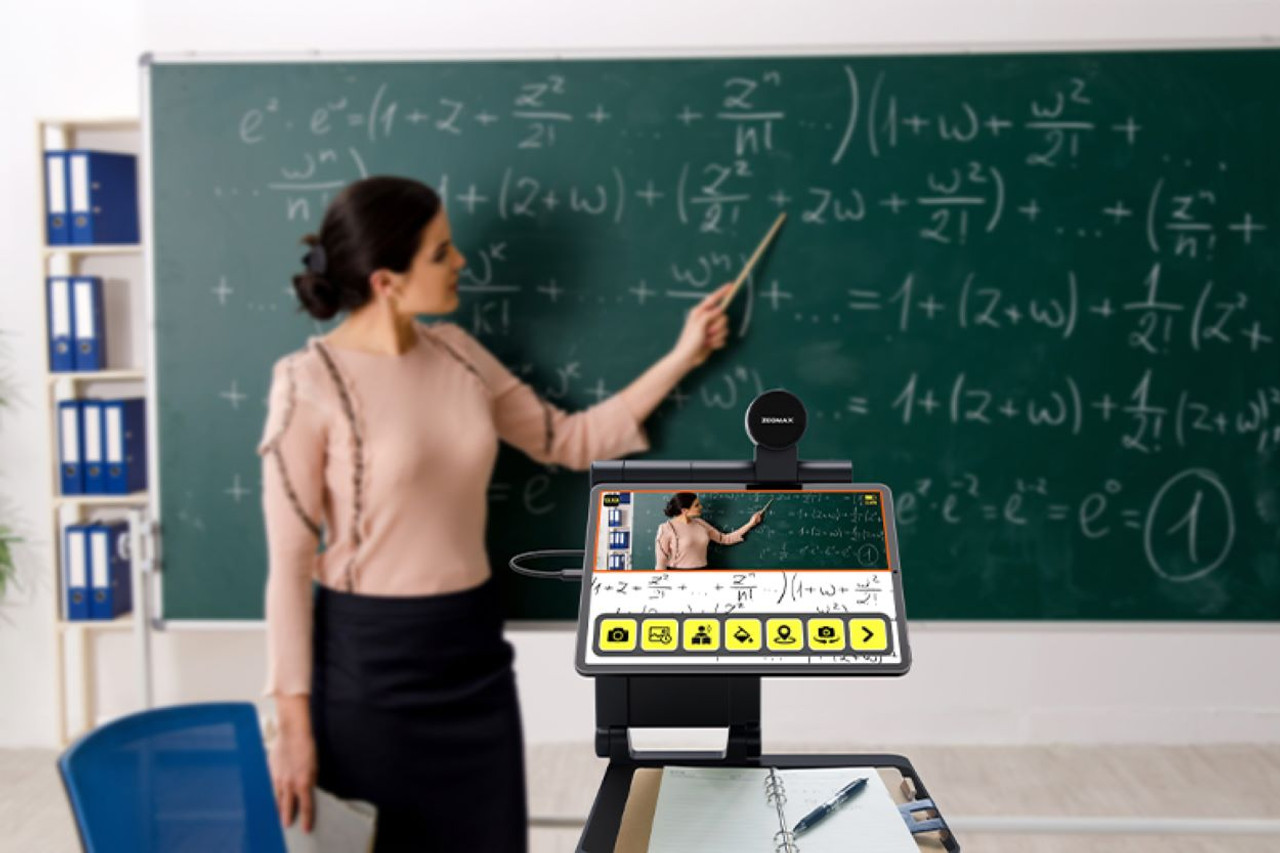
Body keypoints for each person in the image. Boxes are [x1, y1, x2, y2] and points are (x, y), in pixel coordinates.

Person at [258, 176, 735, 852]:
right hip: (368, 667)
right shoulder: (307, 382)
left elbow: (568, 440)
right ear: (388, 279)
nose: (462, 262)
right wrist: (293, 727)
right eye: (441, 252)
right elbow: (286, 568)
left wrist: (685, 354)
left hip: (471, 654)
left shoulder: (457, 354)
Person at [654, 492, 763, 570]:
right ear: (684, 510)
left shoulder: (700, 523)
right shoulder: (666, 528)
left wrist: (751, 523)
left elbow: (725, 539)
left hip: (703, 572)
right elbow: (660, 564)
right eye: (696, 505)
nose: (701, 507)